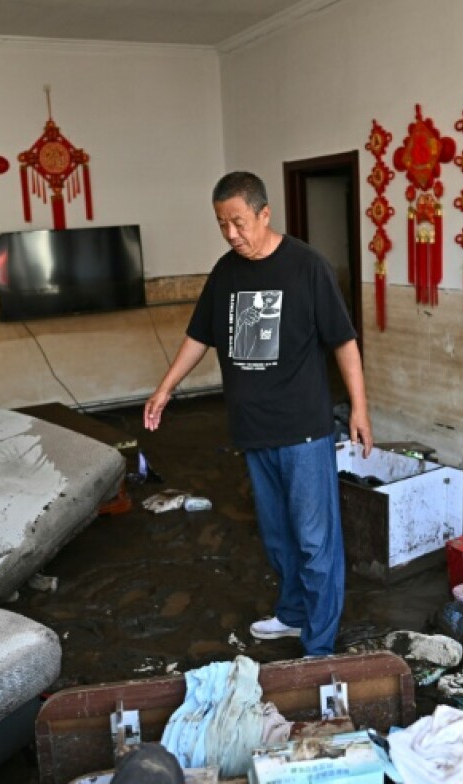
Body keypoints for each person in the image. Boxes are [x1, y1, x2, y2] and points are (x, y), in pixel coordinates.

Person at [144, 170, 373, 657]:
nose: (231, 234)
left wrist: (359, 408)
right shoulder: (226, 272)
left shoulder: (308, 267)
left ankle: (319, 645)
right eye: (221, 224)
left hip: (303, 431)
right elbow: (199, 336)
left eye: (239, 222)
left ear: (264, 214)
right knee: (278, 538)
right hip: (253, 431)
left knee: (314, 542)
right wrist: (165, 388)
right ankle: (292, 615)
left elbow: (343, 341)